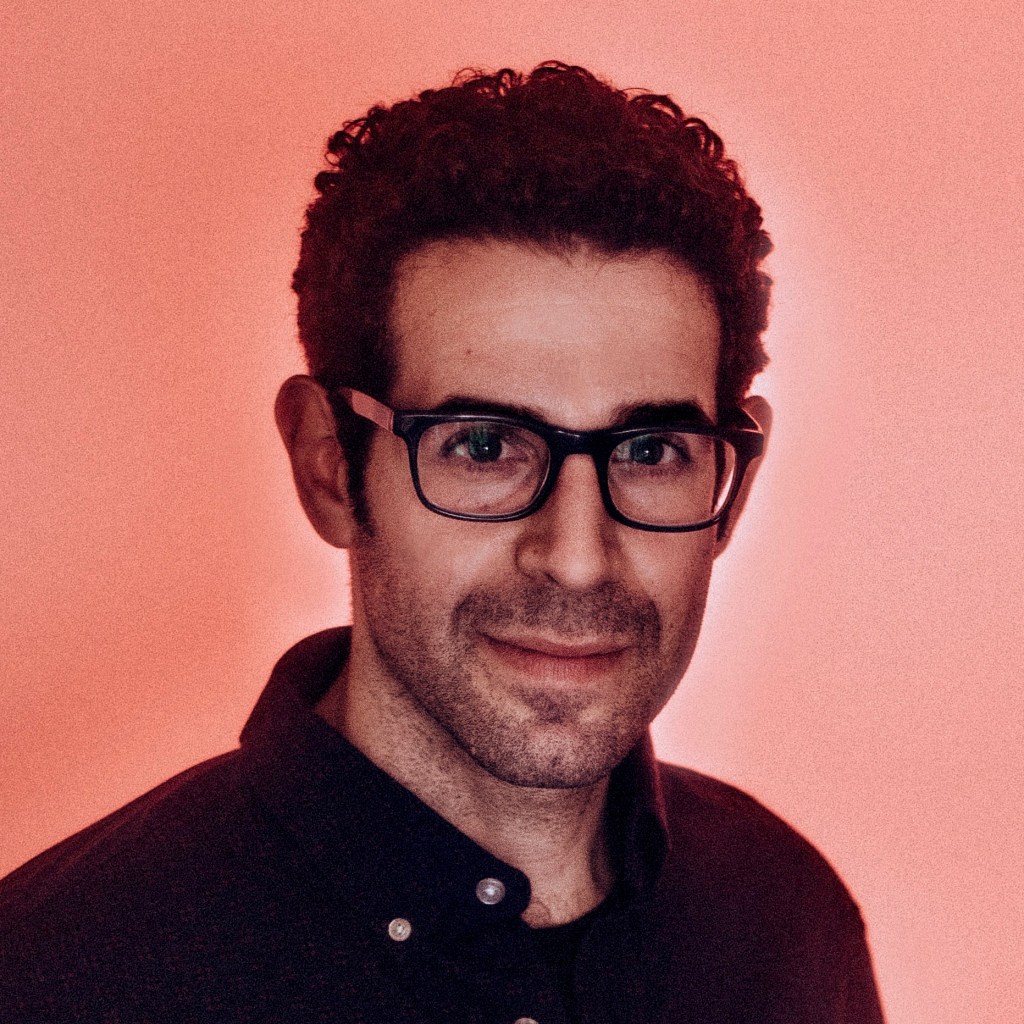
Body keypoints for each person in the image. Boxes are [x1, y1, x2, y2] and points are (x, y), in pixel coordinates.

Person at [0, 62, 885, 1023]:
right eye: (484, 446)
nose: (577, 557)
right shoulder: (56, 980)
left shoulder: (788, 919)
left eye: (649, 451)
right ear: (329, 468)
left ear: (731, 491)